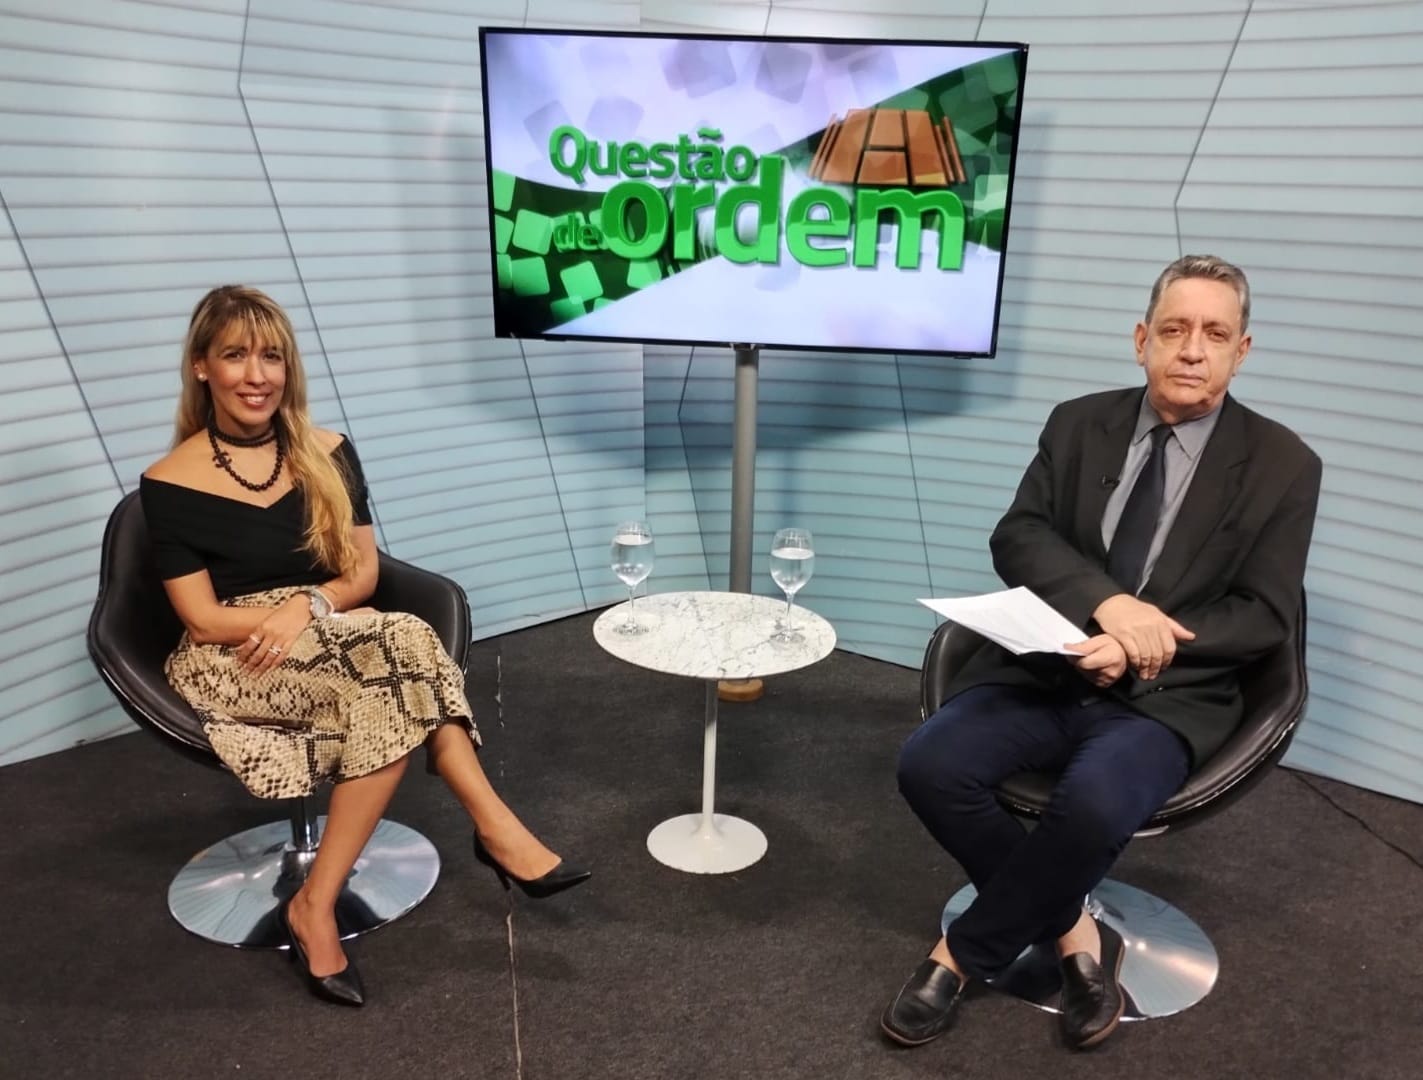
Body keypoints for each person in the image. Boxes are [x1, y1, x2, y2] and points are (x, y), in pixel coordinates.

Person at [882, 255, 1321, 1050]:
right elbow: (1019, 535)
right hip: (1045, 667)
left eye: (1213, 333)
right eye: (1174, 330)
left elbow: (1262, 616)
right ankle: (1073, 932)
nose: (1192, 350)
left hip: (1168, 695)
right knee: (929, 764)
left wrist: (1137, 647)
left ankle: (959, 955)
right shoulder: (1077, 423)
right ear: (1141, 339)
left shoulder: (1285, 464)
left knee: (1091, 806)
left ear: (1241, 350)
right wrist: (1107, 608)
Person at [140, 285, 590, 1008]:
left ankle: (314, 903)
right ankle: (495, 829)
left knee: (394, 652)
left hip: (329, 624)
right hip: (236, 653)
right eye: (235, 355)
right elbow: (199, 619)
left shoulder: (329, 452)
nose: (256, 375)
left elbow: (362, 574)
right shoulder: (169, 482)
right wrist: (285, 619)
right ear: (201, 366)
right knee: (401, 647)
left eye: (272, 357)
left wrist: (307, 606)